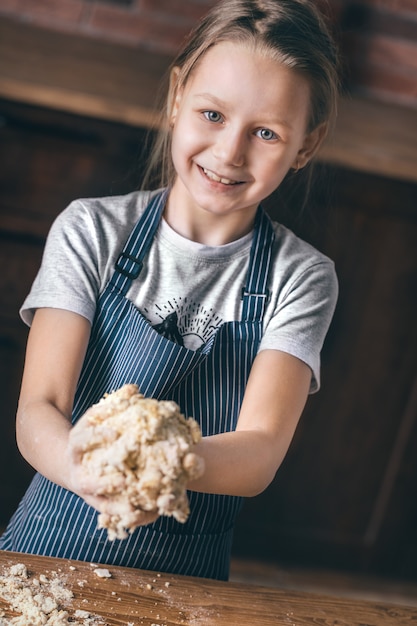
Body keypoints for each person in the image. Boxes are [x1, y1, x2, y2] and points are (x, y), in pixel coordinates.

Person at [0, 0, 340, 581]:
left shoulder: (301, 278)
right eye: (213, 115)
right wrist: (93, 471)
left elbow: (258, 452)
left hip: (187, 583)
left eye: (265, 133)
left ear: (305, 145)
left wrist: (159, 462)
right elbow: (41, 411)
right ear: (179, 95)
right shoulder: (89, 231)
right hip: (43, 552)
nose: (230, 153)